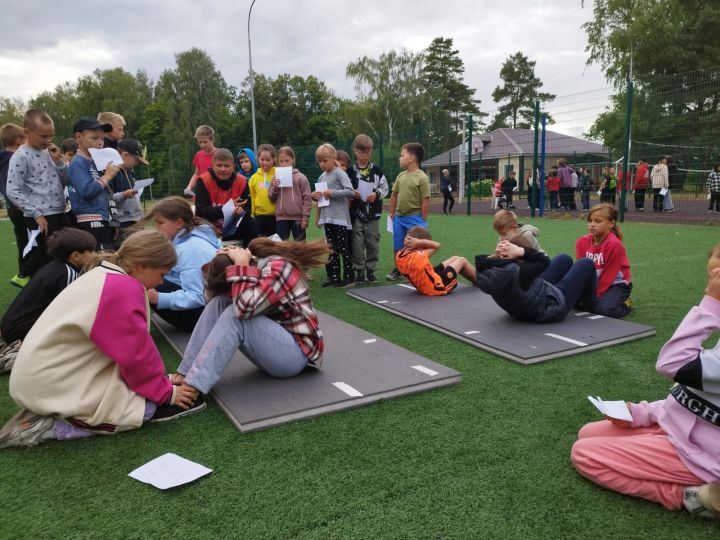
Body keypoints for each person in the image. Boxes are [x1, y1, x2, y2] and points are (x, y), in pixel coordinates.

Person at [0, 229, 205, 449]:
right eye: (162, 274)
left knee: (133, 389)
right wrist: (167, 393)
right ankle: (47, 427)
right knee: (140, 410)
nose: (162, 282)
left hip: (45, 374)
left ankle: (57, 408)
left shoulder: (106, 273)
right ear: (142, 266)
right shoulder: (123, 289)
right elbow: (135, 356)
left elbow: (127, 350)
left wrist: (162, 380)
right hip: (48, 384)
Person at [571, 245, 720, 518]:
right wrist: (642, 413)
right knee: (587, 433)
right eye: (710, 279)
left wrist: (711, 303)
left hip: (704, 455)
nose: (709, 288)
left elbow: (672, 364)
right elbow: (695, 397)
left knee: (584, 454)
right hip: (682, 431)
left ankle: (696, 497)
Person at [169, 238, 330, 398]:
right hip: (275, 348)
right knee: (219, 303)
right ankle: (183, 374)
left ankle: (191, 388)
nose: (231, 295)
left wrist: (240, 265)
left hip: (295, 356)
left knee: (236, 314)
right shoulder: (254, 263)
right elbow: (211, 300)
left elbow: (242, 310)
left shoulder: (279, 269)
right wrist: (219, 263)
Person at [0, 227, 96, 373]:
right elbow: (68, 312)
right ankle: (17, 354)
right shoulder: (67, 273)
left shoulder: (57, 266)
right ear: (76, 255)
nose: (95, 255)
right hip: (22, 331)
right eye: (91, 252)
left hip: (11, 325)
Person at [6, 110, 71, 284]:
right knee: (49, 259)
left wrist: (59, 161)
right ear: (26, 132)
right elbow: (12, 189)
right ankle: (39, 293)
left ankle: (55, 290)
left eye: (51, 135)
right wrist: (35, 213)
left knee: (62, 255)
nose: (48, 140)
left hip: (58, 211)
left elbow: (67, 180)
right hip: (40, 216)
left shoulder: (49, 152)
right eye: (43, 136)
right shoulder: (21, 156)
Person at [475, 235, 597, 323]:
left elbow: (480, 260)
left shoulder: (489, 269)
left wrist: (497, 253)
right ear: (518, 257)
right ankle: (590, 304)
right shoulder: (521, 271)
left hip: (521, 307)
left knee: (564, 258)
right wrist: (521, 251)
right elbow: (544, 260)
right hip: (550, 308)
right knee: (586, 263)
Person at [145, 196, 222, 332]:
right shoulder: (190, 238)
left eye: (160, 223)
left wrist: (159, 298)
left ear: (178, 223)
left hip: (204, 317)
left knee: (146, 280)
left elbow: (198, 296)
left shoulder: (189, 248)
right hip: (211, 311)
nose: (157, 228)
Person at [68, 116, 120, 251]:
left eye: (102, 138)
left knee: (108, 258)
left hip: (104, 220)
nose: (100, 143)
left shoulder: (97, 162)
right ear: (79, 137)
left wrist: (113, 222)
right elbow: (87, 191)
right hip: (90, 221)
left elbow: (107, 194)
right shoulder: (78, 162)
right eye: (94, 138)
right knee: (99, 262)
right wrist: (107, 176)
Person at [575, 204, 632, 318]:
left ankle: (626, 303)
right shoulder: (582, 242)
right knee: (574, 303)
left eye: (597, 221)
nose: (592, 225)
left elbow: (608, 277)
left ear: (611, 223)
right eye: (590, 221)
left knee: (601, 310)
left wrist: (593, 296)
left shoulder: (614, 245)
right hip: (594, 283)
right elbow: (580, 271)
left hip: (616, 284)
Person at [194, 148, 258, 246]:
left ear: (233, 167)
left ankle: (249, 255)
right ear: (213, 166)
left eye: (227, 166)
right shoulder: (203, 181)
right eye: (219, 165)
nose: (223, 169)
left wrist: (241, 211)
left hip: (232, 227)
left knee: (251, 223)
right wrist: (226, 208)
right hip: (209, 227)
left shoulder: (242, 181)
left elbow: (248, 209)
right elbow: (201, 211)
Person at [311, 143, 355, 287]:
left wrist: (332, 193)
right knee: (330, 248)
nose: (322, 164)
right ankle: (333, 277)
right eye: (320, 161)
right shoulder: (322, 176)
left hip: (339, 218)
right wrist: (314, 195)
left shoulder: (339, 173)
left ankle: (349, 277)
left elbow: (350, 191)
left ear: (333, 158)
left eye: (325, 160)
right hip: (327, 218)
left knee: (343, 248)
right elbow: (320, 196)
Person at [347, 134, 388, 284]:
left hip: (373, 214)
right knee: (357, 244)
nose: (365, 155)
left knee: (372, 243)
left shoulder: (376, 170)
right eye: (362, 151)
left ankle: (371, 271)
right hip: (356, 214)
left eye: (368, 152)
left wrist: (376, 194)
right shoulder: (350, 172)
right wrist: (352, 193)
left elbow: (385, 187)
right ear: (355, 151)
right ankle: (359, 271)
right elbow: (346, 190)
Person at [387, 143, 430, 281]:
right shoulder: (400, 176)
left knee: (415, 246)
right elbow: (394, 195)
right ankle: (399, 269)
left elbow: (425, 200)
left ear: (411, 158)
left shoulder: (422, 177)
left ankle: (413, 270)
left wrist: (422, 220)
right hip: (399, 218)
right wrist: (392, 213)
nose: (400, 158)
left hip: (415, 218)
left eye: (402, 155)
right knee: (397, 245)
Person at [396, 226, 475, 296]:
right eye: (425, 247)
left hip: (427, 280)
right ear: (418, 245)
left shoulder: (399, 255)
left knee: (455, 258)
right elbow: (437, 245)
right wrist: (419, 242)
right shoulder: (417, 257)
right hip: (437, 288)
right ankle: (480, 282)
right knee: (462, 260)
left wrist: (416, 242)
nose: (425, 249)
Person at [0, 122, 28, 286]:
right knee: (32, 242)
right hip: (22, 207)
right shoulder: (13, 160)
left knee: (24, 241)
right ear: (19, 140)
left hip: (15, 208)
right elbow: (12, 186)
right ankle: (25, 274)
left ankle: (25, 274)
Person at [269, 146, 312, 242]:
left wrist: (305, 218)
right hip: (281, 218)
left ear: (293, 160)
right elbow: (271, 198)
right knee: (282, 247)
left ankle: (301, 257)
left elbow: (307, 199)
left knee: (300, 246)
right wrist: (275, 187)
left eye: (287, 160)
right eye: (281, 161)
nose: (284, 164)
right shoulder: (275, 178)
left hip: (298, 218)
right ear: (277, 162)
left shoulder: (301, 178)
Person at [109, 138, 148, 232]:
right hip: (121, 222)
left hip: (135, 219)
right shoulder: (111, 173)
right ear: (126, 155)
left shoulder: (130, 172)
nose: (137, 163)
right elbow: (107, 199)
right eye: (136, 159)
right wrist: (123, 195)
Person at [248, 143, 278, 237]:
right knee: (263, 244)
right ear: (258, 159)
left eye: (268, 160)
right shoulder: (253, 178)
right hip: (259, 216)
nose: (265, 162)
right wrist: (252, 214)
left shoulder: (278, 174)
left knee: (277, 243)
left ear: (273, 160)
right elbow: (252, 197)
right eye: (262, 159)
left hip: (276, 215)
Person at [184, 125, 217, 197]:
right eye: (200, 142)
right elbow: (196, 174)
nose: (202, 145)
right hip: (202, 192)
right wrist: (189, 187)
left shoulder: (220, 154)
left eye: (205, 142)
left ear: (212, 140)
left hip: (217, 194)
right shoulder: (199, 154)